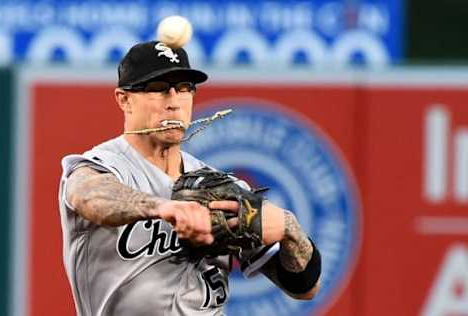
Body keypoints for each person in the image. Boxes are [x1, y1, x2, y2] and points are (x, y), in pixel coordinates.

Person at [59, 40, 321, 316]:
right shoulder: (103, 166)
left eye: (184, 89)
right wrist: (163, 207)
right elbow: (86, 195)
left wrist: (290, 229)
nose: (173, 102)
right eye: (158, 89)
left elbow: (303, 287)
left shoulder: (222, 191)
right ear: (124, 99)